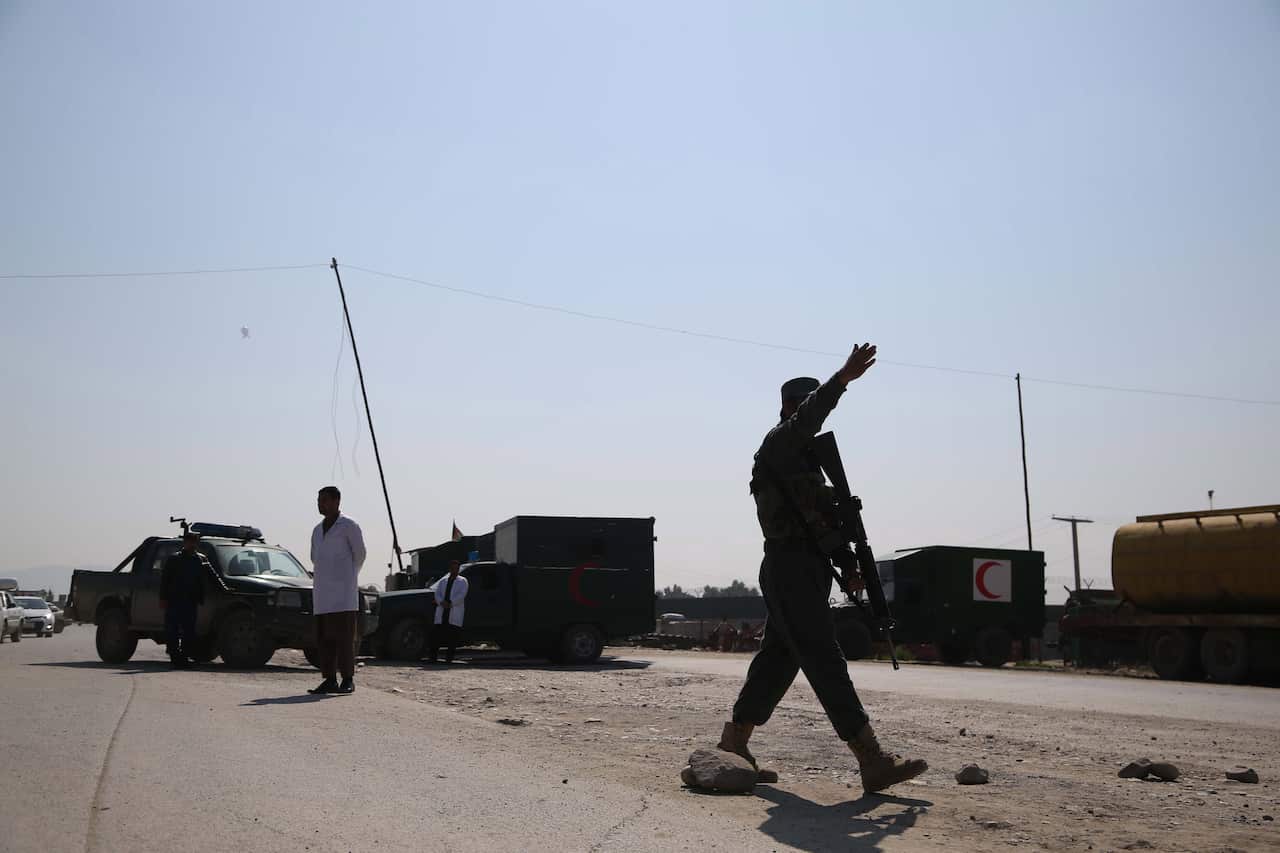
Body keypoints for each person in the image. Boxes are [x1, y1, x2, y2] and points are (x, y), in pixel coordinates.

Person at [717, 343, 928, 794]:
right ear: (790, 410)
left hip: (804, 568)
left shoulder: (806, 468)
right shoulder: (778, 445)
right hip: (788, 567)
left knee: (778, 658)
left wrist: (848, 562)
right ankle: (870, 758)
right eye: (805, 406)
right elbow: (809, 418)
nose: (815, 419)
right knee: (824, 658)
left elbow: (822, 526)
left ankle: (734, 743)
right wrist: (841, 381)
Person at [308, 486, 367, 695]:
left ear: (336, 501)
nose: (320, 504)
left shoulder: (349, 526)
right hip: (323, 594)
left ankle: (348, 679)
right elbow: (315, 558)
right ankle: (329, 679)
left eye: (324, 500)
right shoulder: (317, 530)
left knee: (344, 638)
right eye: (318, 500)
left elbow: (360, 554)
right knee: (324, 639)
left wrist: (348, 576)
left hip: (343, 595)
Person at [160, 529, 208, 668]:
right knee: (172, 629)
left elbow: (202, 579)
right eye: (190, 542)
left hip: (190, 600)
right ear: (185, 542)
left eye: (195, 542)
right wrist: (163, 598)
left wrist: (201, 596)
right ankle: (174, 657)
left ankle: (185, 656)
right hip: (175, 599)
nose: (192, 545)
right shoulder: (175, 558)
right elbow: (165, 580)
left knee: (189, 630)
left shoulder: (199, 559)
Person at [430, 560, 468, 663]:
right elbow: (437, 594)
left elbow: (462, 595)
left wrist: (451, 603)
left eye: (456, 568)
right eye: (452, 567)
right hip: (442, 611)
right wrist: (441, 602)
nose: (454, 570)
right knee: (436, 636)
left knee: (452, 638)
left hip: (454, 611)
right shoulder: (443, 581)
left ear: (458, 569)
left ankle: (449, 659)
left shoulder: (463, 581)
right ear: (449, 568)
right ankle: (433, 658)